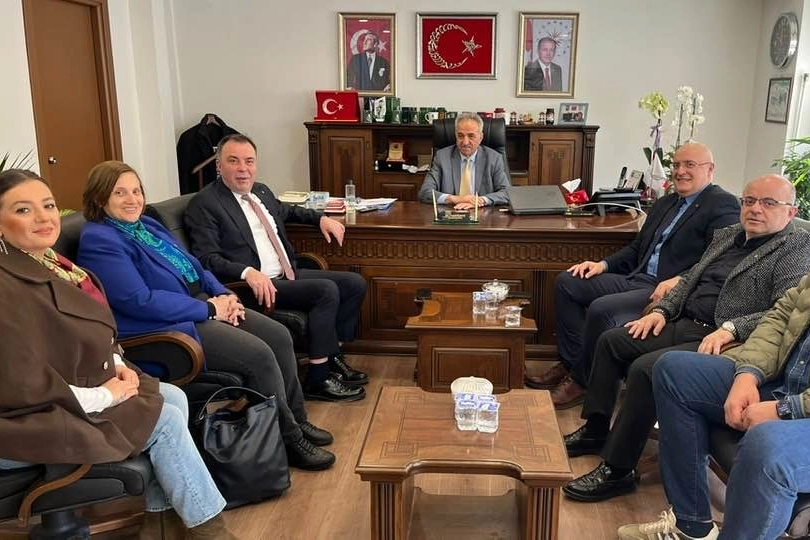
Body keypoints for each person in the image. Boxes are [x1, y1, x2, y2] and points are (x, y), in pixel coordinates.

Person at [0, 169, 239, 539]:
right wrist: (105, 395)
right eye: (23, 210)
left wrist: (117, 364)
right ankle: (210, 531)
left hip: (67, 393)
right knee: (164, 420)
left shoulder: (52, 264)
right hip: (24, 420)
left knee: (172, 397)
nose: (44, 217)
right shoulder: (7, 286)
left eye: (47, 205)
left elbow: (87, 332)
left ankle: (159, 525)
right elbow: (22, 384)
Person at [561, 174, 810, 503]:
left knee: (648, 368)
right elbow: (690, 278)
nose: (755, 209)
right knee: (612, 341)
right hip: (685, 321)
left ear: (791, 212)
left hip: (723, 338)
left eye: (768, 203)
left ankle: (618, 469)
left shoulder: (795, 248)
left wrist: (732, 328)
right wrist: (661, 312)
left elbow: (782, 314)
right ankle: (596, 430)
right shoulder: (729, 235)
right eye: (749, 201)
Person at [76, 160, 336, 471]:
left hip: (201, 303)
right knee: (258, 355)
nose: (132, 199)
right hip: (169, 326)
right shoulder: (100, 240)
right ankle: (289, 439)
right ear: (99, 198)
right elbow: (139, 301)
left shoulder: (147, 226)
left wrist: (226, 295)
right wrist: (211, 309)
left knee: (279, 336)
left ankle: (297, 420)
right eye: (120, 193)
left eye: (136, 191)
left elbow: (196, 267)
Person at [527, 142, 740, 408]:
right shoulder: (665, 203)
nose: (680, 171)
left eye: (689, 165)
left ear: (710, 169)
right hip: (637, 278)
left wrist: (682, 279)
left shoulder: (722, 204)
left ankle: (581, 381)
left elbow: (719, 258)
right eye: (676, 165)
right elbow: (637, 248)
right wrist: (603, 264)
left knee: (602, 308)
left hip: (667, 291)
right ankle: (572, 364)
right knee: (568, 282)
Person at [619, 270, 810, 540]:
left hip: (800, 408)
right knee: (675, 371)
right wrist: (748, 374)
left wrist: (788, 409)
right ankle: (691, 526)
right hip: (787, 383)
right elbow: (779, 318)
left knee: (766, 447)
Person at [184, 133, 367, 403]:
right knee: (325, 290)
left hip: (287, 273)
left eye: (249, 161)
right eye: (233, 161)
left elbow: (288, 211)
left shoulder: (261, 191)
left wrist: (321, 219)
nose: (243, 169)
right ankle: (318, 379)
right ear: (219, 165)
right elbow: (207, 258)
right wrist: (247, 272)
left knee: (353, 283)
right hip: (252, 286)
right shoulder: (205, 204)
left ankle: (331, 357)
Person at [417, 112, 511, 209]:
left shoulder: (494, 158)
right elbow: (425, 192)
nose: (465, 142)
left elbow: (507, 193)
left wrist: (481, 200)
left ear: (480, 137)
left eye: (471, 136)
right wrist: (455, 199)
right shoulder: (442, 157)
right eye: (460, 135)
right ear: (455, 136)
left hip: (482, 213)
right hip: (450, 212)